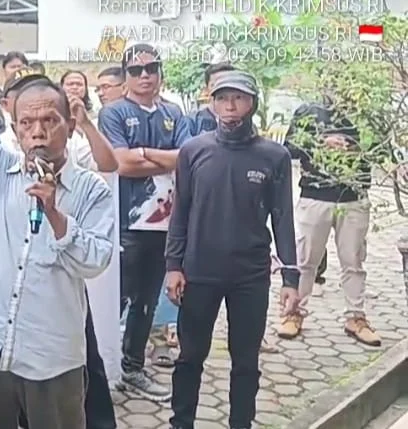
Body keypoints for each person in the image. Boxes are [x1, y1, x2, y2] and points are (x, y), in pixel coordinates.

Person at [0, 14, 114, 429]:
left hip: (52, 358)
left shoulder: (91, 190)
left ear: (70, 126)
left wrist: (55, 214)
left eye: (49, 121)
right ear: (15, 129)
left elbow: (96, 261)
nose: (38, 132)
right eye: (27, 124)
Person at [166, 70, 300, 429]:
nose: (230, 106)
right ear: (212, 104)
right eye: (222, 98)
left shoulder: (274, 156)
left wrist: (290, 277)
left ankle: (241, 422)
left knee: (245, 361)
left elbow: (283, 218)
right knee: (190, 356)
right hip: (199, 271)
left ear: (251, 103)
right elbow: (180, 212)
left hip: (250, 275)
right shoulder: (194, 151)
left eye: (238, 98)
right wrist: (173, 265)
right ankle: (181, 422)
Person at [98, 43, 192, 401]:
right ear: (125, 76)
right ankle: (98, 370)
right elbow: (121, 163)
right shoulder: (114, 113)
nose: (144, 76)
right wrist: (163, 159)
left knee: (146, 303)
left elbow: (186, 159)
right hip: (126, 222)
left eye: (151, 68)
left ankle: (133, 367)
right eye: (136, 70)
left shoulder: (174, 113)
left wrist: (144, 154)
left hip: (166, 225)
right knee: (115, 301)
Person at [277, 93, 380, 346]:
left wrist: (354, 147)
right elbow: (288, 149)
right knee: (305, 260)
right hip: (315, 195)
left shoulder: (367, 113)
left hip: (354, 196)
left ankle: (356, 317)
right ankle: (294, 313)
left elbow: (380, 151)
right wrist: (319, 143)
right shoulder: (308, 110)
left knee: (353, 261)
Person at [189, 62, 235, 135]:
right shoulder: (193, 122)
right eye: (215, 85)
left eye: (226, 84)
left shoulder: (243, 123)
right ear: (206, 89)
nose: (220, 89)